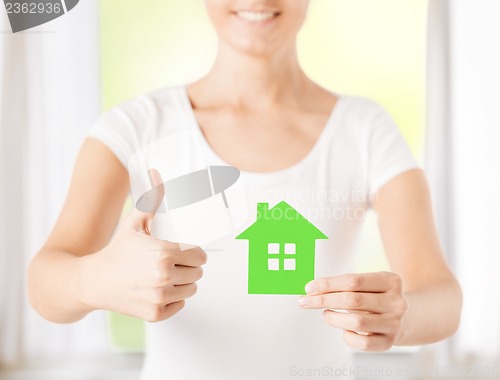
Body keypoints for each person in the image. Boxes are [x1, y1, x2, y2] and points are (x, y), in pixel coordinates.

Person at [28, 0, 462, 379]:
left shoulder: (366, 130)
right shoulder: (135, 128)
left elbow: (442, 297)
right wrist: (95, 279)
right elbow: (43, 285)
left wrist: (400, 316)